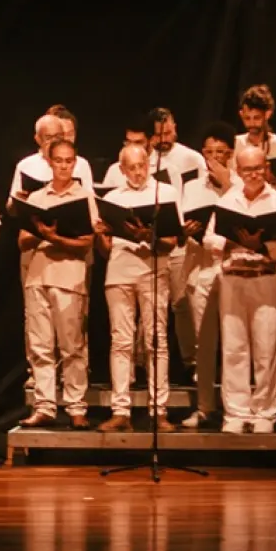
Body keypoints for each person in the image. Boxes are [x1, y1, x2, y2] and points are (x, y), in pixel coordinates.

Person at [203, 146, 276, 433]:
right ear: (238, 171)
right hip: (234, 279)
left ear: (266, 168)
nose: (253, 174)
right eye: (247, 170)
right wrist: (234, 242)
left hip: (265, 279)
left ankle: (265, 413)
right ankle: (236, 412)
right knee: (234, 349)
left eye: (258, 168)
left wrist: (261, 244)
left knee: (267, 349)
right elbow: (209, 239)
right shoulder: (227, 201)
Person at [12, 139, 99, 429]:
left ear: (75, 163)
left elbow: (86, 243)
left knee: (72, 346)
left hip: (69, 279)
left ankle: (76, 406)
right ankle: (45, 406)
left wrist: (55, 237)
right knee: (40, 346)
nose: (63, 166)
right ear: (49, 162)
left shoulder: (84, 196)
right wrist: (41, 233)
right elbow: (22, 241)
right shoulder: (37, 196)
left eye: (68, 161)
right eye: (58, 160)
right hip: (38, 277)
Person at [93, 145, 182, 431]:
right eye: (131, 167)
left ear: (149, 164)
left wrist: (148, 235)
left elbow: (172, 242)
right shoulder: (113, 198)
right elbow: (107, 250)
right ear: (122, 170)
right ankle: (121, 411)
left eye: (142, 165)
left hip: (153, 271)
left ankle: (159, 410)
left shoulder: (164, 193)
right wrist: (101, 235)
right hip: (119, 273)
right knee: (121, 341)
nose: (138, 172)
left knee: (156, 340)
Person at [177, 124, 238, 428]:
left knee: (233, 343)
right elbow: (180, 225)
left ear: (231, 154)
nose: (215, 158)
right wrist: (186, 230)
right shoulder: (192, 187)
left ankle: (234, 408)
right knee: (204, 343)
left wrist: (227, 186)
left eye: (221, 152)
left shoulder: (239, 185)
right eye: (209, 153)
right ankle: (204, 407)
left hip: (231, 270)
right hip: (199, 268)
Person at [8, 113, 92, 199]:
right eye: (48, 137)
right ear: (38, 139)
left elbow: (90, 199)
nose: (53, 142)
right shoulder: (25, 166)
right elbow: (11, 203)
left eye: (58, 136)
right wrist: (19, 200)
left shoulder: (81, 164)